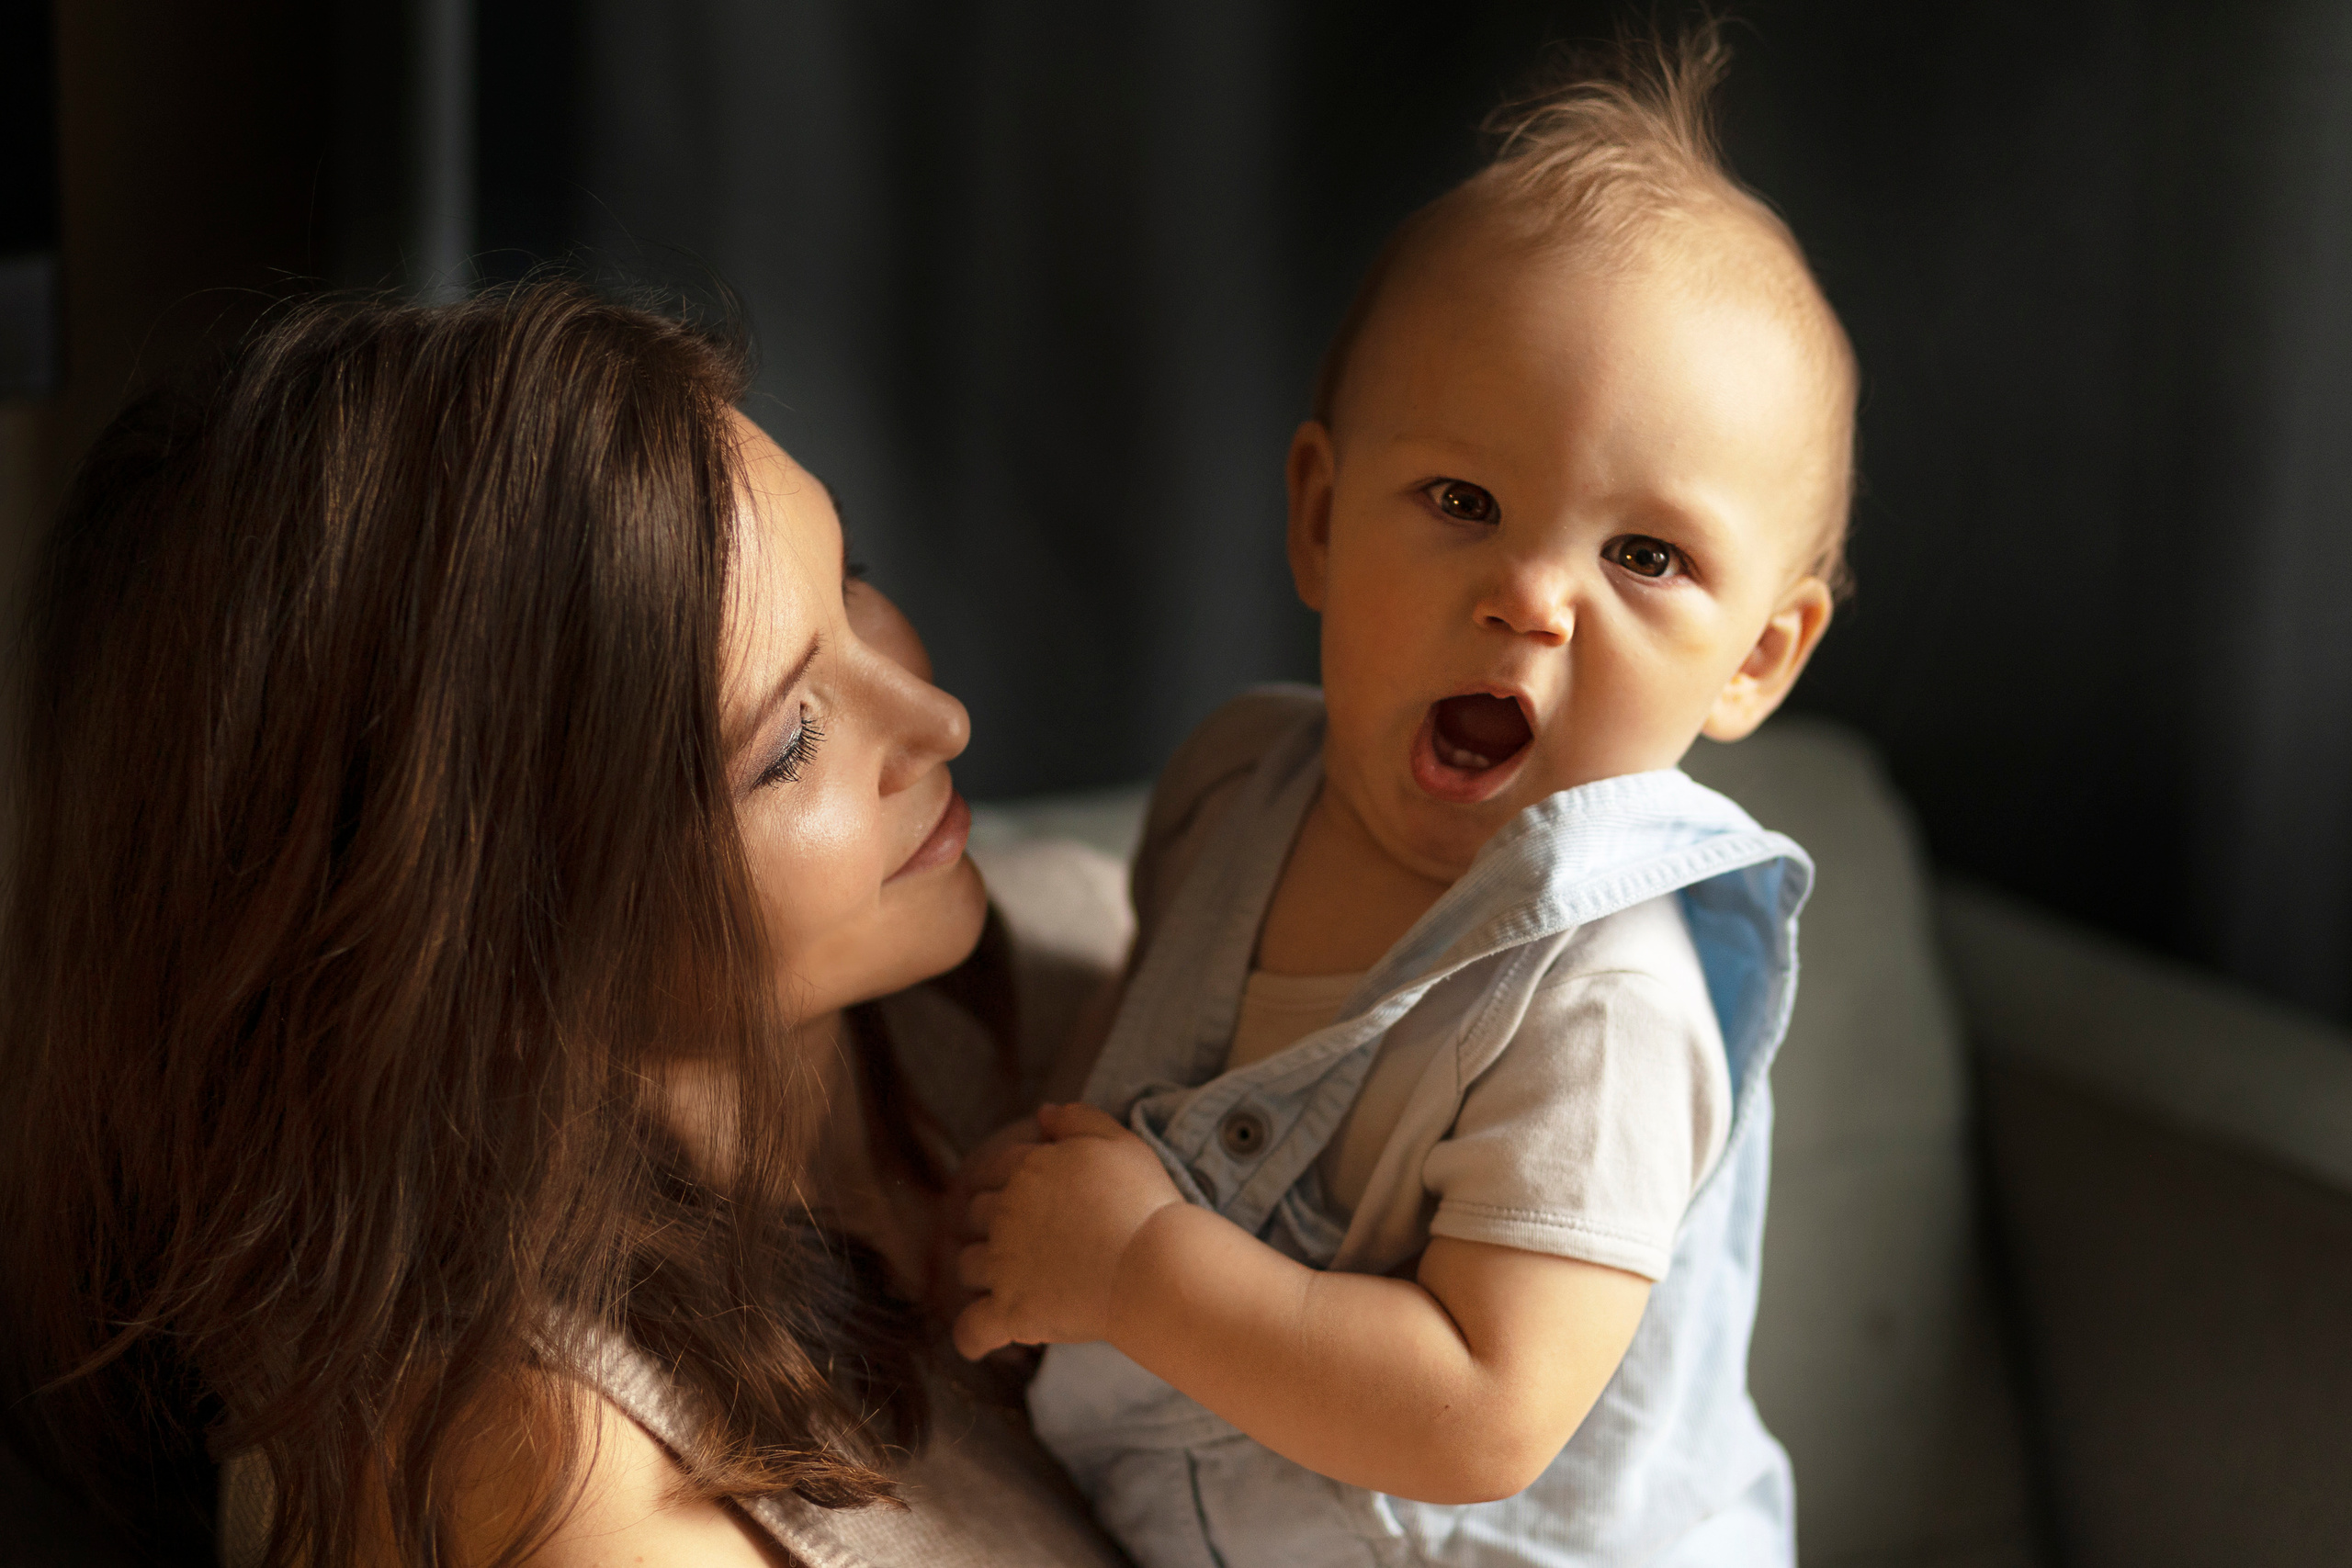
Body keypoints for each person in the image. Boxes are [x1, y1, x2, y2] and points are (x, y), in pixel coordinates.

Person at [0, 284, 1127, 1568]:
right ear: (485, 951)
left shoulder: (1074, 968)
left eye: (851, 581)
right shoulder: (547, 1483)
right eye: (788, 744)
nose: (939, 720)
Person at [950, 24, 1853, 1567]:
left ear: (1755, 660)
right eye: (1462, 500)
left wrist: (1138, 1271)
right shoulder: (1234, 788)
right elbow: (1130, 1070)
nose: (1531, 598)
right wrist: (1030, 1203)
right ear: (1318, 517)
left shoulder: (1605, 1008)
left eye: (1645, 556)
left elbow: (1482, 1418)